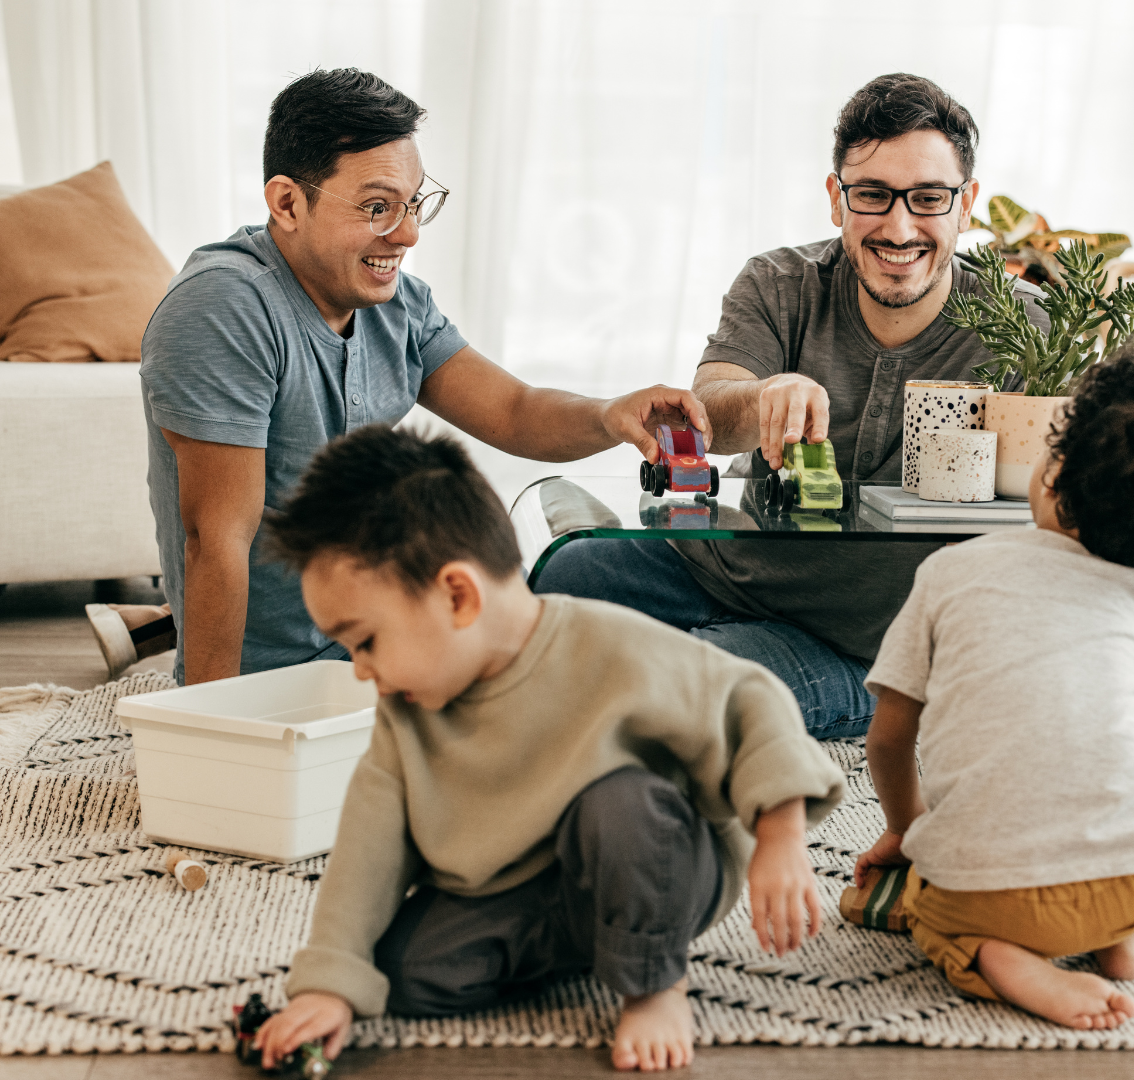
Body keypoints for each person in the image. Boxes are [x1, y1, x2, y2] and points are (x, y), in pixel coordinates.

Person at [250, 425, 845, 1071]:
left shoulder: (612, 645)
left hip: (657, 858)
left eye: (365, 641)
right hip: (536, 887)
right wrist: (329, 987)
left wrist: (780, 837)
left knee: (622, 803)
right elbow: (369, 846)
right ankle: (596, 944)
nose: (361, 668)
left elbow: (749, 698)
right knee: (400, 975)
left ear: (457, 595)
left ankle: (651, 981)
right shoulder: (406, 711)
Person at [87, 68, 708, 686]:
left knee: (589, 608)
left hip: (380, 635)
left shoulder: (397, 303)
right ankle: (163, 631)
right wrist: (212, 730)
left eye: (413, 204)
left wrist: (610, 415)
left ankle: (149, 624)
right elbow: (216, 538)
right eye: (377, 207)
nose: (407, 234)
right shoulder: (223, 308)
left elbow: (514, 410)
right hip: (278, 673)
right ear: (286, 203)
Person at [535, 73, 1049, 740]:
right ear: (836, 200)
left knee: (683, 694)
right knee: (563, 577)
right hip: (727, 571)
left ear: (966, 204)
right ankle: (679, 634)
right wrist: (766, 394)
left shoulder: (1030, 330)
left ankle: (708, 658)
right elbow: (709, 412)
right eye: (872, 196)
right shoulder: (778, 283)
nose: (899, 227)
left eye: (927, 199)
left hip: (863, 644)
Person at [850, 352, 1134, 1028]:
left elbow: (890, 733)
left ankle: (1001, 956)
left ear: (1053, 472)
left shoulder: (951, 571)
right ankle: (1120, 937)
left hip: (992, 893)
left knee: (931, 905)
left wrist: (904, 828)